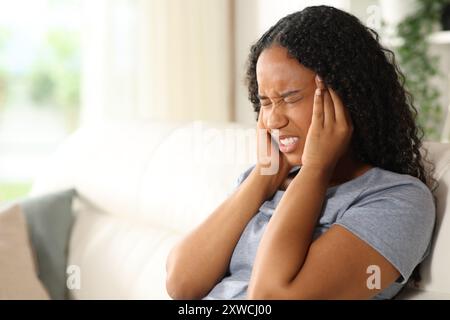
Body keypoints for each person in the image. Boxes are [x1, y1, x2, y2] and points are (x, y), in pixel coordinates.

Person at [165, 5, 436, 300]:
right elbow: (181, 284)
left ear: (347, 96)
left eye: (290, 97)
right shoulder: (266, 181)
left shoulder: (397, 201)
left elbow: (270, 299)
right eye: (265, 102)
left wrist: (315, 170)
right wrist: (263, 177)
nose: (272, 120)